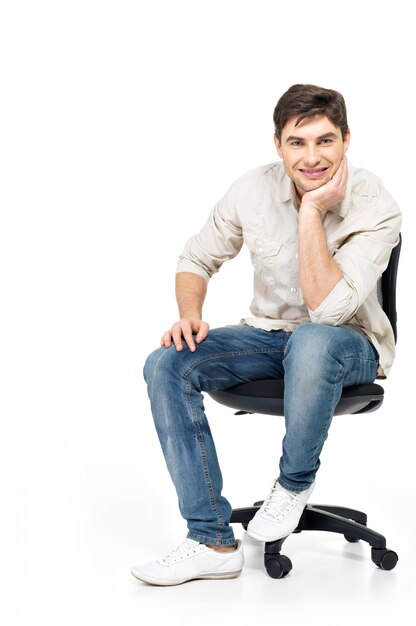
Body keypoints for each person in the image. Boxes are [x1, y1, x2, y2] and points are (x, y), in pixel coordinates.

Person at [131, 84, 402, 586]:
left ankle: (293, 485)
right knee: (166, 362)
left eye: (325, 141)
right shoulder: (251, 190)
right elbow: (196, 257)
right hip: (271, 337)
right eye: (298, 143)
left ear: (346, 140)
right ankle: (210, 538)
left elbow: (328, 311)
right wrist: (190, 313)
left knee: (312, 341)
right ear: (278, 145)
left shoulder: (375, 204)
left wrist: (311, 211)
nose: (313, 157)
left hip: (348, 343)